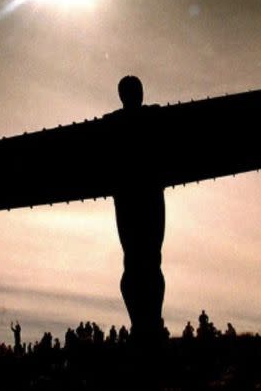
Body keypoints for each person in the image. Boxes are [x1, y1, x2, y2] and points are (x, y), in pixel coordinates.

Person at [109, 76, 166, 347]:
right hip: (134, 197)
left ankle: (150, 323)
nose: (136, 95)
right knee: (137, 261)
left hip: (144, 196)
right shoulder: (117, 123)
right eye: (132, 91)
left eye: (137, 91)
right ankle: (143, 325)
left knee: (146, 260)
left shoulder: (151, 117)